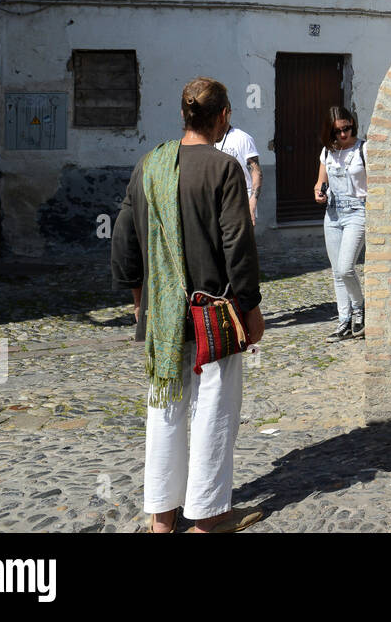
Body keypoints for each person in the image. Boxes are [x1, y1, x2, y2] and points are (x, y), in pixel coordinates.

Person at [112, 76, 266, 533]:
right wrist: (251, 307)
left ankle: (162, 518)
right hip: (213, 315)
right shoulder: (223, 169)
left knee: (165, 411)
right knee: (214, 412)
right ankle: (208, 516)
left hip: (163, 316)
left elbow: (123, 240)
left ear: (184, 115)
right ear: (223, 117)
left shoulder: (149, 165)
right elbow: (238, 244)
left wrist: (140, 300)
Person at [314, 105, 367, 341]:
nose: (343, 134)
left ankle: (360, 309)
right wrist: (319, 192)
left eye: (347, 128)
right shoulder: (327, 152)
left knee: (346, 267)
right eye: (337, 131)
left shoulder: (364, 149)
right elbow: (319, 183)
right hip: (333, 214)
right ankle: (343, 321)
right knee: (336, 272)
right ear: (330, 132)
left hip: (357, 212)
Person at [215, 110, 263, 226]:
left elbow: (256, 172)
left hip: (240, 201)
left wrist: (252, 203)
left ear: (228, 113)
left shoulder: (242, 138)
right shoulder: (209, 138)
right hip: (217, 201)